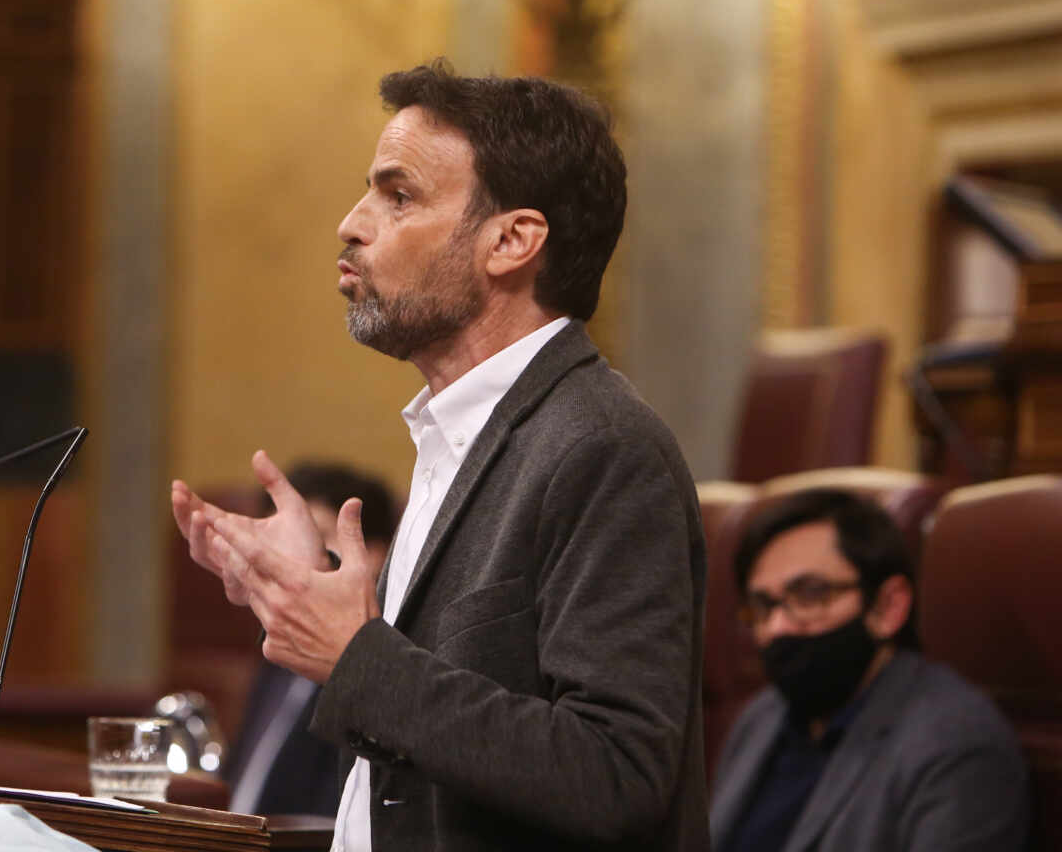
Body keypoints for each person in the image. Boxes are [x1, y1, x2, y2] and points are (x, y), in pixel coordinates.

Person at [171, 60, 707, 851]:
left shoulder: (602, 449)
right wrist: (313, 592)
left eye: (399, 196)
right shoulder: (458, 433)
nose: (352, 224)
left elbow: (617, 775)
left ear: (512, 241)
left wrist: (357, 655)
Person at [709, 489, 1029, 852]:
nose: (777, 627)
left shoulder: (956, 745)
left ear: (888, 606)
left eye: (811, 594)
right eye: (763, 606)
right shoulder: (762, 715)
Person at [227, 463, 398, 817]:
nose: (288, 562)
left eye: (317, 539)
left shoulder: (387, 675)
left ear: (375, 555)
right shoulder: (274, 655)